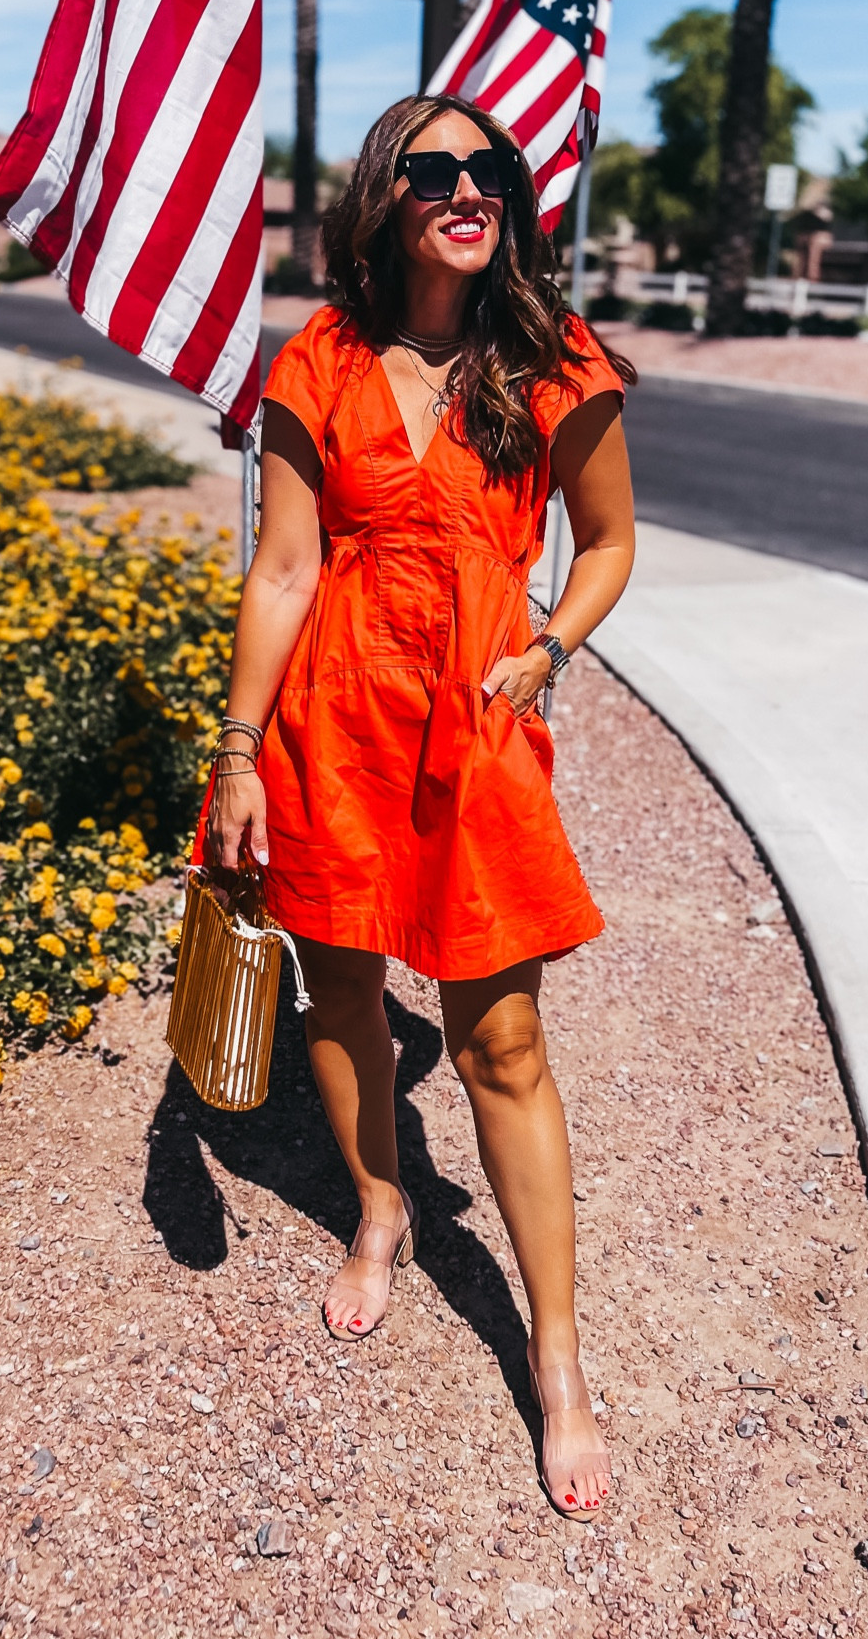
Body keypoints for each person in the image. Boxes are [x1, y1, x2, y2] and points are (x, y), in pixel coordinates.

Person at [203, 93, 637, 1519]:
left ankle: (557, 1360)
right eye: (434, 169)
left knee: (499, 1038)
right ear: (383, 201)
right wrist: (236, 752)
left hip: (473, 727)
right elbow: (280, 572)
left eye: (487, 168)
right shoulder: (316, 362)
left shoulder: (548, 356)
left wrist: (552, 641)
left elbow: (612, 541)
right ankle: (381, 1206)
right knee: (339, 997)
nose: (468, 186)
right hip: (332, 724)